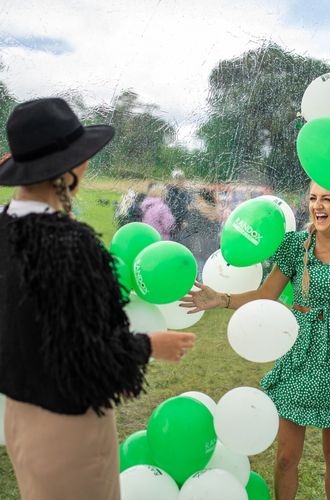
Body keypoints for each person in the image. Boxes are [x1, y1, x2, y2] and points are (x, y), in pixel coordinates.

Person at [0, 97, 196, 500]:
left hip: (19, 415)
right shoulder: (66, 245)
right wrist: (149, 345)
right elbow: (85, 356)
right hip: (68, 428)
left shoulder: (7, 227)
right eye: (82, 157)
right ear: (67, 170)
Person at [181, 181, 330, 500]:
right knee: (285, 459)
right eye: (312, 199)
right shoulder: (296, 245)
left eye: (327, 198)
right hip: (298, 355)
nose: (317, 206)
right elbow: (266, 295)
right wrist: (221, 299)